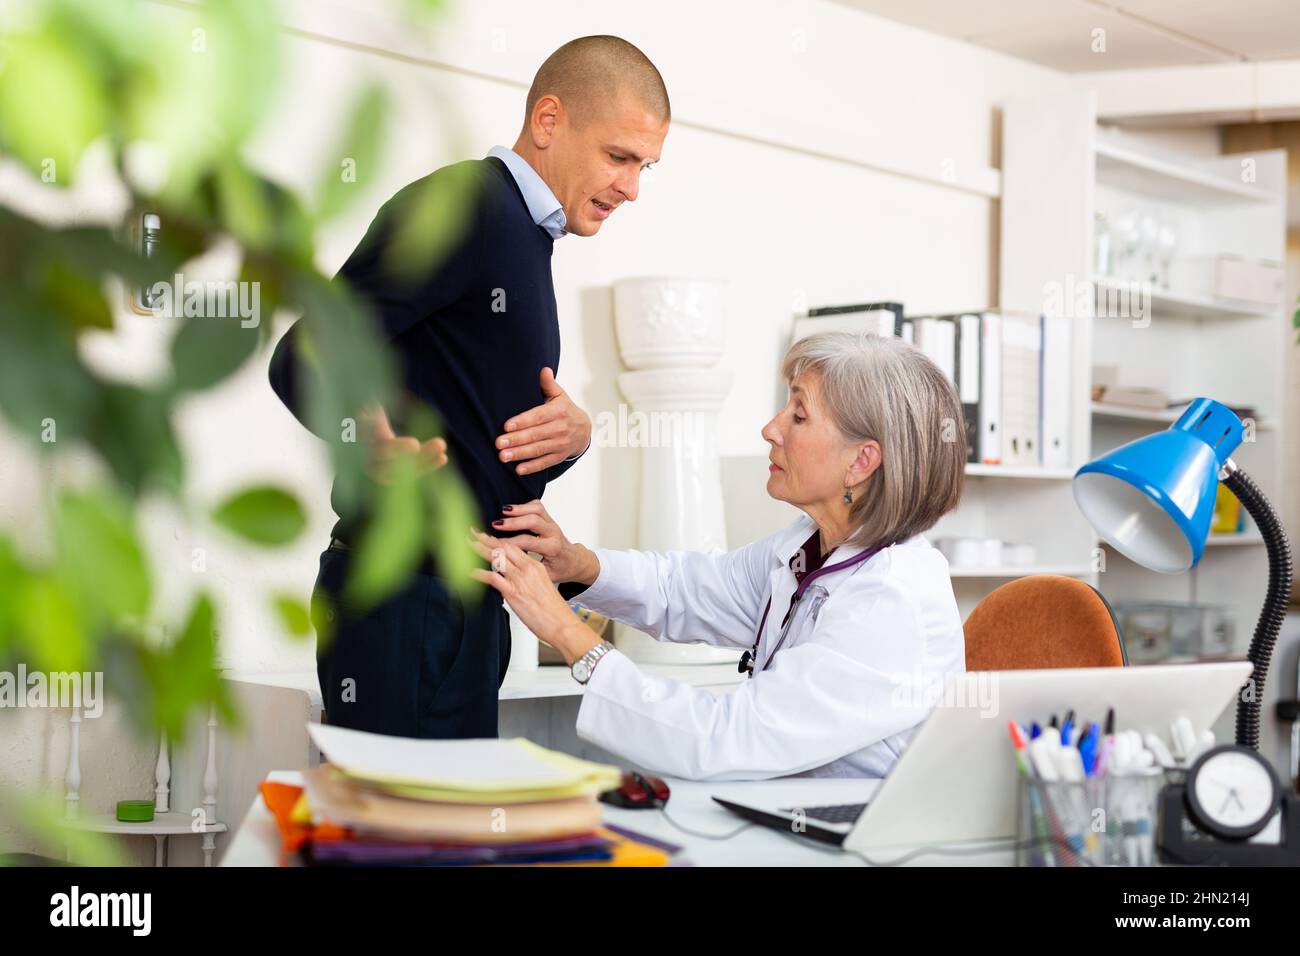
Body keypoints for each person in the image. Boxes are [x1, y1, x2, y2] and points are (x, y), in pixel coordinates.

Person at [267, 36, 670, 739]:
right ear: (548, 120)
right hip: (405, 602)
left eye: (645, 167)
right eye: (619, 157)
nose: (632, 188)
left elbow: (476, 431)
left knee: (442, 811)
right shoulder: (466, 207)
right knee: (403, 813)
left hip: (462, 607)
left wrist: (571, 438)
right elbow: (303, 355)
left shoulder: (522, 233)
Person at [472, 331, 967, 780]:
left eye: (798, 415)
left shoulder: (891, 600)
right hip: (787, 810)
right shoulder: (807, 548)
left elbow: (726, 740)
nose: (770, 429)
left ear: (861, 461)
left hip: (856, 834)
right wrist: (578, 565)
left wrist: (566, 632)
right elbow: (683, 589)